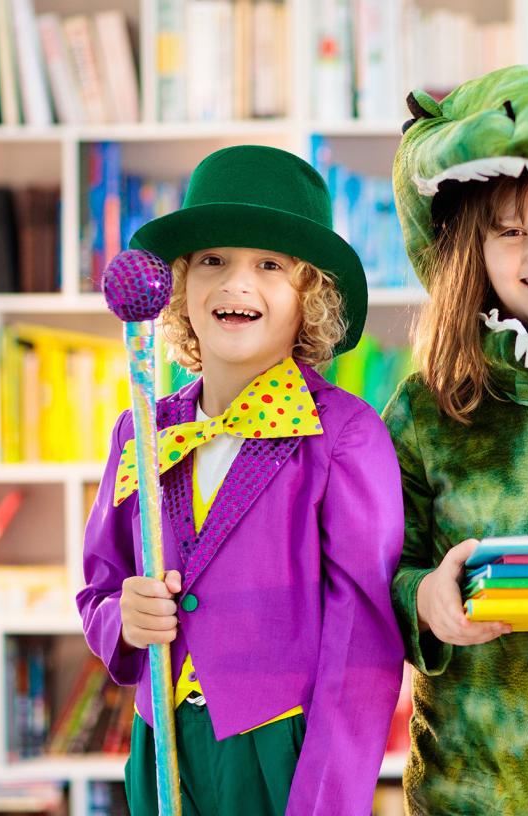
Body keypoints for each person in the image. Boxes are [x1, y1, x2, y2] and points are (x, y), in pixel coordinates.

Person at [77, 145, 405, 815]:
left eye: (269, 265)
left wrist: (323, 803)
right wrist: (123, 621)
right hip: (162, 747)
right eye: (213, 261)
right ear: (179, 288)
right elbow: (100, 588)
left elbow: (361, 649)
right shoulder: (141, 430)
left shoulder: (345, 437)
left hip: (281, 752)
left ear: (310, 296)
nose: (236, 283)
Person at [384, 64, 528, 815]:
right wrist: (425, 600)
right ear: (473, 244)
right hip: (473, 791)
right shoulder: (423, 408)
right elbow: (373, 575)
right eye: (511, 230)